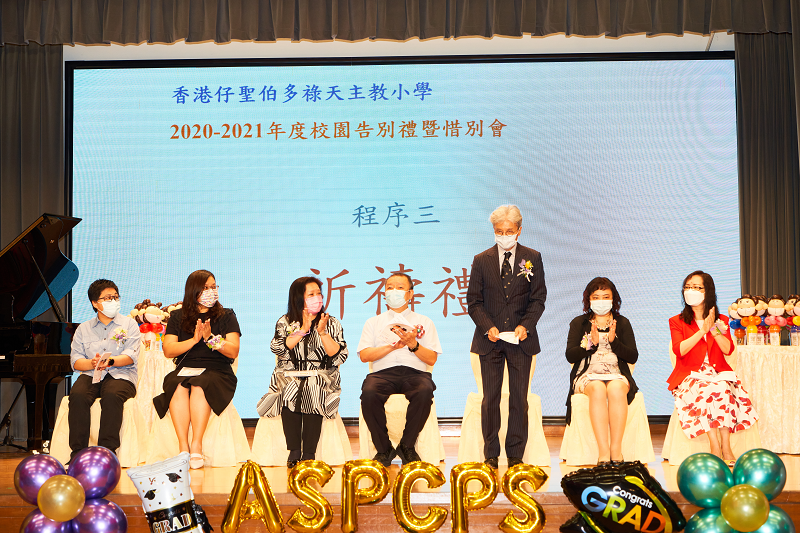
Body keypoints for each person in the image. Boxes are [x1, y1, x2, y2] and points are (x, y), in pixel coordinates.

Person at [466, 204, 546, 469]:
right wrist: (487, 327)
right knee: (490, 399)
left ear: (519, 230)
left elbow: (538, 299)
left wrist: (526, 326)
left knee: (518, 399)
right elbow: (474, 301)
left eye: (509, 231)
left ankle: (515, 455)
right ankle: (490, 454)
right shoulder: (482, 260)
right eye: (499, 231)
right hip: (490, 341)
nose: (504, 235)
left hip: (521, 342)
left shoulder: (532, 257)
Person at [668, 270, 758, 466]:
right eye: (688, 287)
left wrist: (714, 330)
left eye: (696, 287)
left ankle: (726, 445)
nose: (691, 291)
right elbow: (679, 350)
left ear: (707, 291)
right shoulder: (677, 321)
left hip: (717, 371)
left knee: (723, 388)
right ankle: (714, 446)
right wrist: (702, 330)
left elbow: (728, 349)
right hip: (691, 373)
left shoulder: (721, 319)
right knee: (705, 390)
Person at [153, 270, 241, 469]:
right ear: (193, 290)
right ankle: (183, 447)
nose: (211, 291)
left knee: (200, 384)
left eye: (214, 287)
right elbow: (168, 350)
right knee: (178, 385)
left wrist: (210, 339)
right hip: (186, 368)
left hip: (217, 369)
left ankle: (196, 445)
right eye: (206, 288)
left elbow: (233, 350)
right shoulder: (177, 316)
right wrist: (194, 340)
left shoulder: (226, 315)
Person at [257, 276, 348, 467]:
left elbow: (338, 355)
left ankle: (308, 453)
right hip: (289, 374)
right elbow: (279, 348)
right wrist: (303, 329)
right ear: (299, 298)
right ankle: (294, 451)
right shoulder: (285, 321)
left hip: (321, 375)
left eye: (319, 294)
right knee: (290, 389)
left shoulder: (331, 322)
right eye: (311, 294)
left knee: (312, 388)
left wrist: (322, 333)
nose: (317, 298)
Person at [357, 273, 442, 466]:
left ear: (410, 294)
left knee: (424, 390)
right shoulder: (373, 322)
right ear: (384, 293)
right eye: (390, 287)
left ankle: (407, 446)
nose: (393, 291)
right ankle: (384, 449)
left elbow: (432, 358)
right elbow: (364, 355)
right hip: (382, 374)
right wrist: (392, 347)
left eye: (400, 288)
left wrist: (413, 344)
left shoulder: (424, 321)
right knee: (368, 393)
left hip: (415, 373)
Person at [565, 277, 638, 464]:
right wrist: (591, 344)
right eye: (596, 297)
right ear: (589, 300)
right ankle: (604, 453)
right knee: (597, 388)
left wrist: (614, 342)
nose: (601, 301)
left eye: (605, 297)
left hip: (616, 374)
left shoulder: (622, 323)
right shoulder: (579, 323)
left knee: (616, 388)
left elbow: (633, 356)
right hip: (587, 375)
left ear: (613, 299)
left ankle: (616, 452)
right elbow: (570, 355)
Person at [69, 279, 141, 461]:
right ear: (95, 303)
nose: (113, 301)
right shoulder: (83, 328)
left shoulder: (129, 324)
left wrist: (110, 361)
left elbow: (131, 356)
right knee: (77, 395)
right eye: (108, 298)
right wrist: (92, 363)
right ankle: (78, 454)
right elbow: (76, 361)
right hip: (91, 373)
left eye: (116, 297)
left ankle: (106, 453)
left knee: (111, 395)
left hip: (122, 374)